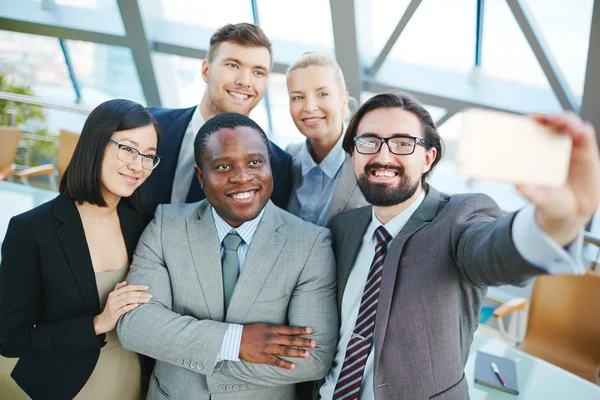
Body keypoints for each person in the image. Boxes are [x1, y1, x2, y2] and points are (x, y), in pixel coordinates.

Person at [318, 91, 600, 400]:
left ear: (429, 157)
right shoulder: (343, 227)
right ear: (354, 154)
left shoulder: (459, 218)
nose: (383, 157)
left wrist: (554, 222)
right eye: (369, 142)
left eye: (402, 143)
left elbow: (493, 252)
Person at [117, 112, 338, 399]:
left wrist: (184, 349)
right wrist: (236, 342)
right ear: (200, 176)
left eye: (255, 162)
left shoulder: (311, 244)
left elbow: (314, 358)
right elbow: (136, 326)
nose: (243, 177)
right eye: (223, 166)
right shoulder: (165, 225)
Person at [0, 99, 163, 400]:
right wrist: (98, 322)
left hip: (138, 381)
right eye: (127, 149)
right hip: (66, 386)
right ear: (96, 143)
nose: (138, 165)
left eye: (148, 156)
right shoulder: (32, 230)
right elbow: (10, 338)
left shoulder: (148, 223)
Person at [144, 22, 292, 210]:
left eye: (258, 72)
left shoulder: (276, 166)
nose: (244, 81)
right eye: (232, 65)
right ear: (206, 71)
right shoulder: (150, 123)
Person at [286, 52, 367, 226]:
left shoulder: (368, 166)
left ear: (343, 100)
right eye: (298, 97)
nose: (309, 107)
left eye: (322, 94)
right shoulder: (285, 158)